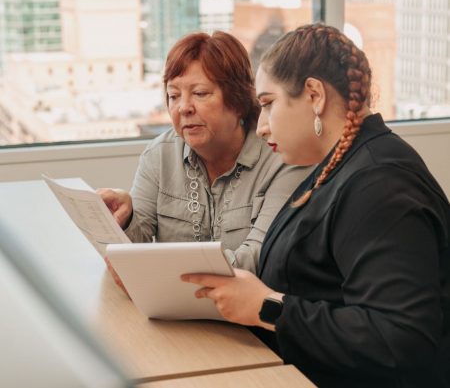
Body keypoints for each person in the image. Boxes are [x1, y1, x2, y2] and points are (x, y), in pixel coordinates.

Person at [181, 24, 450, 388]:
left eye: (268, 104)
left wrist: (268, 307)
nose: (260, 127)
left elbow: (400, 339)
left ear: (314, 95)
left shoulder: (380, 184)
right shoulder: (334, 167)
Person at [98, 31, 310, 274]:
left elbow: (259, 258)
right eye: (173, 96)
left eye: (200, 93)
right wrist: (126, 219)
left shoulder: (281, 157)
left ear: (238, 100)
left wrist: (163, 271)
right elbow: (134, 252)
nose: (183, 108)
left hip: (245, 309)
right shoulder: (159, 155)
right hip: (171, 305)